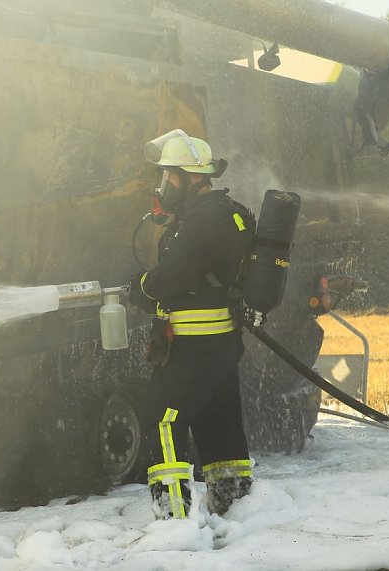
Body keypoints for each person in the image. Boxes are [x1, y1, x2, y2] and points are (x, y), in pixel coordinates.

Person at [128, 128, 254, 517]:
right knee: (219, 425)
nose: (164, 185)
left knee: (162, 422)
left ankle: (173, 519)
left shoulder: (202, 222)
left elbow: (172, 278)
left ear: (192, 179)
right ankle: (234, 513)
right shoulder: (227, 213)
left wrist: (141, 287)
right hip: (219, 346)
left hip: (194, 347)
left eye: (169, 177)